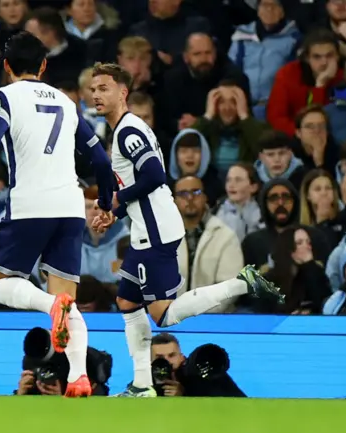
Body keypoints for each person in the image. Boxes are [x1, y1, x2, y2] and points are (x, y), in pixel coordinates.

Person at [88, 62, 284, 397]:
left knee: (163, 316)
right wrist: (116, 211)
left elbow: (153, 177)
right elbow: (142, 183)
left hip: (155, 230)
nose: (96, 95)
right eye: (93, 89)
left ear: (123, 92)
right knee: (126, 302)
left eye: (104, 88)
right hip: (145, 226)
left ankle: (241, 283)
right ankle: (142, 385)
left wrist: (116, 200)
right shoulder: (125, 127)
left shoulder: (127, 131)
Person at [0, 31, 115, 397]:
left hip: (30, 205)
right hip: (70, 207)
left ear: (6, 67)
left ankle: (51, 306)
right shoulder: (66, 102)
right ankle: (79, 376)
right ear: (44, 66)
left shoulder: (4, 96)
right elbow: (99, 157)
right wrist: (107, 202)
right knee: (68, 295)